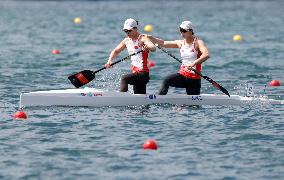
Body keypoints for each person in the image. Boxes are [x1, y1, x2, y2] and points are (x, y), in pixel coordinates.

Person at [147, 20, 209, 95]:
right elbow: (163, 43)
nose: (181, 33)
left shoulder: (198, 42)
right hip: (182, 76)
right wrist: (151, 38)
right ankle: (159, 100)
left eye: (184, 31)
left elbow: (206, 55)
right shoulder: (180, 43)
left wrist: (193, 63)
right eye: (180, 30)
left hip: (194, 78)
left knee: (193, 106)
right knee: (167, 80)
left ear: (191, 31)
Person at [105, 18, 156, 94]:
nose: (127, 33)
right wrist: (110, 60)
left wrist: (148, 47)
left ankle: (121, 100)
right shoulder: (127, 41)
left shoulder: (142, 38)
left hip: (143, 74)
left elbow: (153, 48)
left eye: (129, 30)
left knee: (124, 78)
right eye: (125, 30)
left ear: (136, 29)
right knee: (139, 98)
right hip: (135, 73)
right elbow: (115, 51)